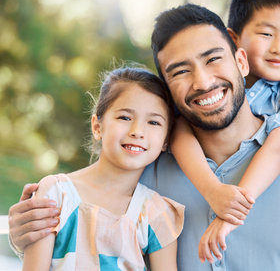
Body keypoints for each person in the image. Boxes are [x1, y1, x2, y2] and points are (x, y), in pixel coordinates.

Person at [9, 3, 280, 270]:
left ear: (241, 62)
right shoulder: (146, 171)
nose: (203, 82)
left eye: (213, 59)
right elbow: (84, 222)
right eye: (180, 72)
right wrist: (28, 228)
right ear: (167, 90)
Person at [170, 0, 280, 261]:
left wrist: (230, 214)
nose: (279, 48)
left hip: (272, 211)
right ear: (234, 39)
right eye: (266, 34)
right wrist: (211, 190)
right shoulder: (216, 86)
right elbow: (179, 128)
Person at [21, 65, 184, 270]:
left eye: (153, 122)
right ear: (98, 126)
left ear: (165, 141)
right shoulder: (56, 193)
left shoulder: (156, 213)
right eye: (125, 117)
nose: (137, 131)